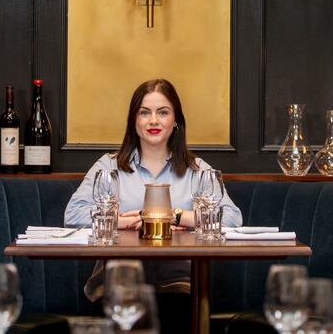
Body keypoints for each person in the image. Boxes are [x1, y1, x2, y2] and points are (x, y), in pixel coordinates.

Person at [64, 79, 242, 328]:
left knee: (176, 311)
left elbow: (233, 218)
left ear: (176, 121)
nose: (154, 121)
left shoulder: (198, 170)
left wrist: (175, 216)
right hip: (116, 287)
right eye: (144, 112)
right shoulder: (108, 165)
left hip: (181, 289)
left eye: (163, 112)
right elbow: (73, 215)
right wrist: (123, 221)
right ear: (133, 121)